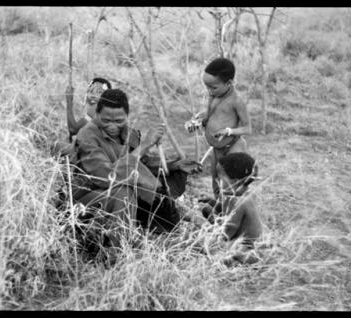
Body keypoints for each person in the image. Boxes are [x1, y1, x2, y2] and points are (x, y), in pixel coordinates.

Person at [71, 89, 206, 252]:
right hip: (88, 199)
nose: (113, 126)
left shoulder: (129, 133)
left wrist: (175, 165)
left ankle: (167, 232)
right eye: (106, 120)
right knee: (123, 192)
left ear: (126, 116)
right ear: (97, 115)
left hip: (122, 194)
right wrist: (144, 146)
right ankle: (119, 251)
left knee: (158, 183)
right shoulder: (87, 136)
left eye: (119, 121)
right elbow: (107, 177)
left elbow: (143, 164)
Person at [185, 58, 252, 197]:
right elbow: (210, 117)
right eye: (207, 87)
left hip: (233, 147)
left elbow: (247, 128)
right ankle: (219, 214)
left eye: (213, 87)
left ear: (228, 83)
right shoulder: (214, 96)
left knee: (232, 184)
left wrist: (229, 131)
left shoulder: (236, 101)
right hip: (217, 149)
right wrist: (196, 123)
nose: (209, 91)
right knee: (216, 182)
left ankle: (236, 213)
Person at [201, 152, 262, 266]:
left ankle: (236, 262)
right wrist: (212, 202)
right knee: (207, 211)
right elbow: (226, 211)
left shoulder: (240, 202)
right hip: (240, 239)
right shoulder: (240, 194)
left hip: (247, 246)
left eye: (220, 178)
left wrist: (200, 223)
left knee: (213, 251)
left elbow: (226, 233)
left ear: (234, 181)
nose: (217, 181)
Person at [65, 77, 112, 142]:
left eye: (99, 92)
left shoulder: (96, 109)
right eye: (91, 91)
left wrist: (69, 101)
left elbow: (72, 130)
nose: (93, 95)